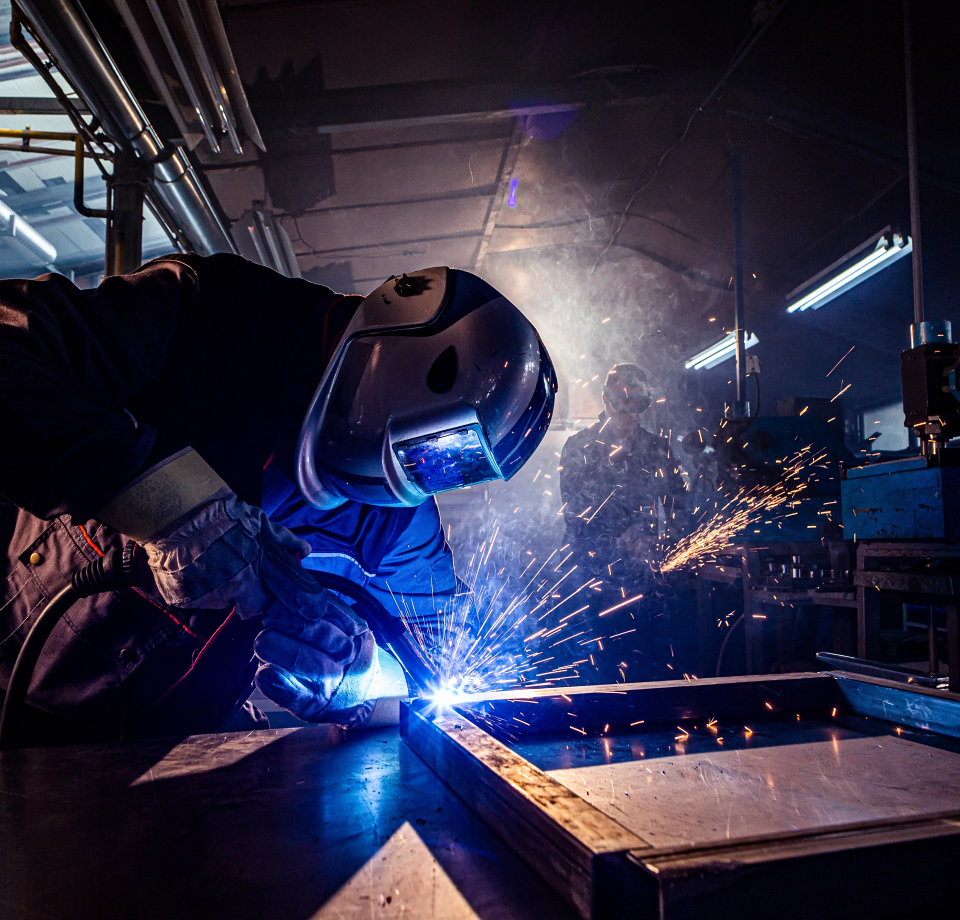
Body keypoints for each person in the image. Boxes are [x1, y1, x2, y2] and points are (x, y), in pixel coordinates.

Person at [0, 256, 556, 744]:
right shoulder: (211, 314)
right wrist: (163, 502)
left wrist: (370, 680)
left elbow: (436, 668)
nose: (420, 479)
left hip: (176, 744)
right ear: (400, 372)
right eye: (432, 450)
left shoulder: (398, 526)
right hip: (15, 689)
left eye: (448, 471)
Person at [555, 363, 686, 681]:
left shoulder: (658, 449)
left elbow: (679, 507)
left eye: (637, 405)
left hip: (646, 576)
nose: (629, 415)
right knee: (601, 667)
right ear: (605, 400)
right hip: (595, 579)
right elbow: (575, 516)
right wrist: (615, 541)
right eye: (621, 404)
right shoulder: (579, 447)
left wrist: (661, 539)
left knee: (652, 662)